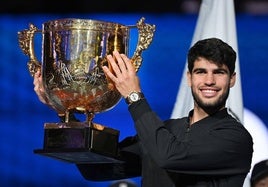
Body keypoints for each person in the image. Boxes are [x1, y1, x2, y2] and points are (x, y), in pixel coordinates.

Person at [33, 38, 253, 187]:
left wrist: (134, 96)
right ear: (189, 77)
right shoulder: (167, 130)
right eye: (201, 72)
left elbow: (168, 156)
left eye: (219, 73)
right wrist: (65, 110)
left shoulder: (235, 138)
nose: (209, 81)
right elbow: (95, 169)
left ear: (232, 79)